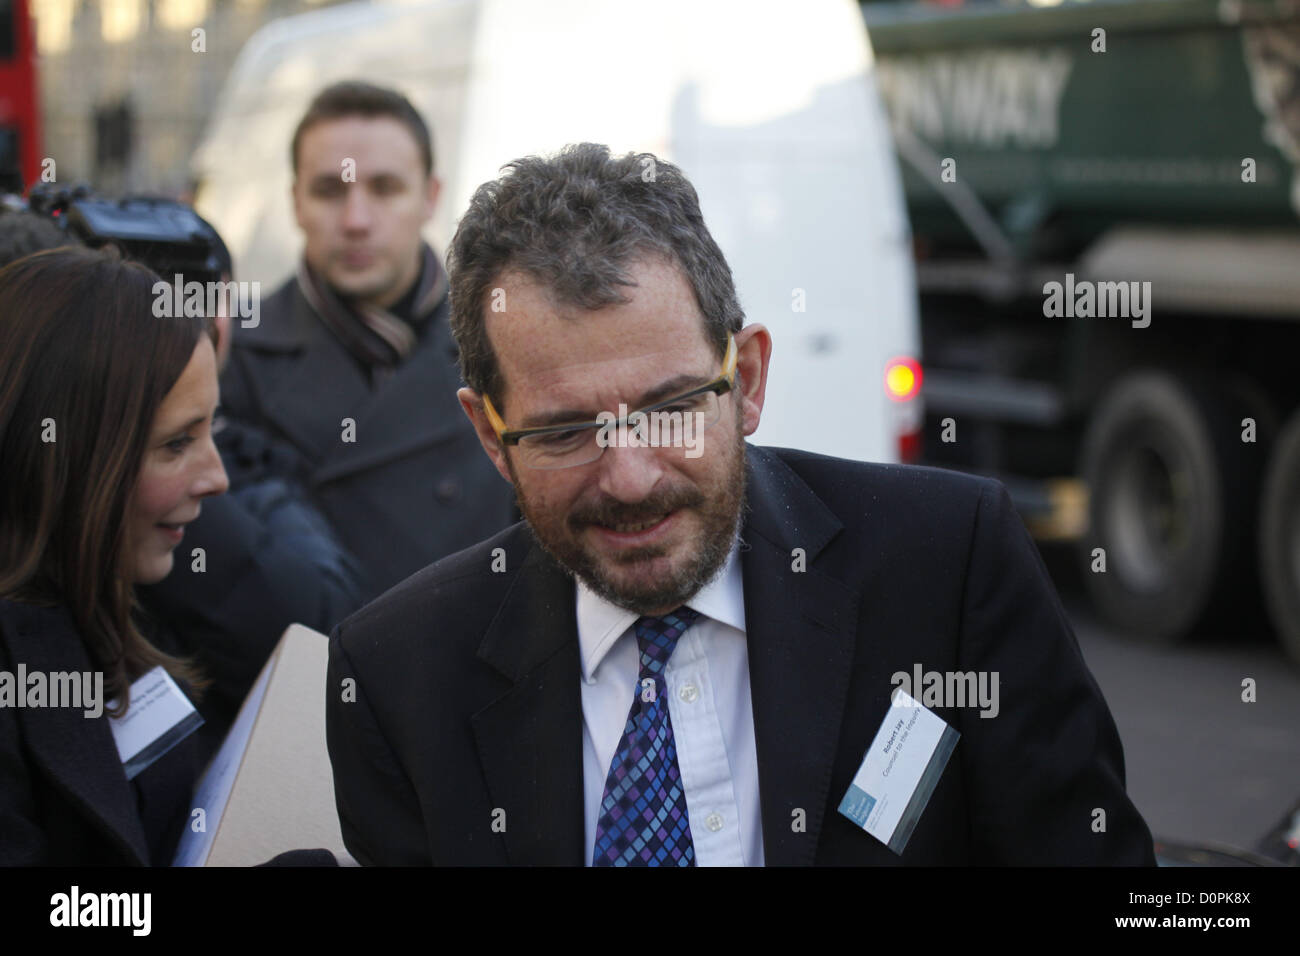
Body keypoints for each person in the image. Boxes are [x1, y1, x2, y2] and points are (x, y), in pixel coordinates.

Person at [325, 143, 1157, 866]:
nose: (630, 479)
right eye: (567, 432)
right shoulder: (401, 678)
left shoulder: (950, 570)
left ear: (748, 381)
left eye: (670, 408)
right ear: (489, 434)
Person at [219, 80, 516, 603]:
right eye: (330, 191)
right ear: (296, 203)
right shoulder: (230, 358)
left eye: (384, 188)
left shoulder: (505, 343)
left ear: (430, 197)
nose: (356, 221)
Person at [0, 246, 228, 865]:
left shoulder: (91, 605)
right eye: (176, 443)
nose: (217, 477)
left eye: (213, 428)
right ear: (68, 458)